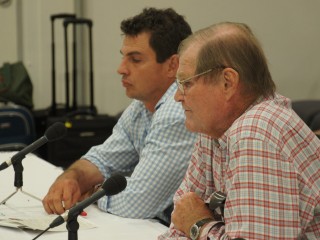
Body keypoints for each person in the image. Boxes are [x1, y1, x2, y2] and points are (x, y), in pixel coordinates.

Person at [159, 22, 320, 239]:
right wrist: (192, 223)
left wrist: (199, 226)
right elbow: (181, 218)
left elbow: (190, 221)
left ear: (227, 82)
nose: (178, 96)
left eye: (186, 84)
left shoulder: (257, 133)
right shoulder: (213, 128)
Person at [42, 7, 196, 225]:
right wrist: (72, 178)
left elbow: (137, 202)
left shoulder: (176, 112)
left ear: (173, 65)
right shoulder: (141, 106)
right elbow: (102, 159)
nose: (121, 69)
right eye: (124, 57)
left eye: (135, 60)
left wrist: (93, 192)